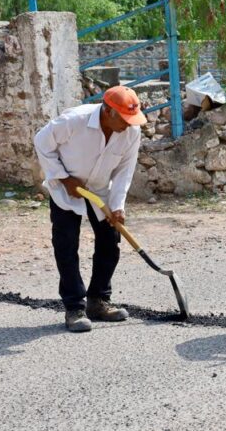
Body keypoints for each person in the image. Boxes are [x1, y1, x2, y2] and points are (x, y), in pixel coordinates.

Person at [34, 86, 145, 332]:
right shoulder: (75, 121)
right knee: (66, 244)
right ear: (108, 111)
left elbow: (125, 171)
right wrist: (64, 178)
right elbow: (41, 141)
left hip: (100, 191)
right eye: (124, 119)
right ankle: (74, 307)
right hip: (66, 188)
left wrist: (118, 206)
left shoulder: (131, 132)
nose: (129, 124)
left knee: (110, 242)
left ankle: (99, 300)